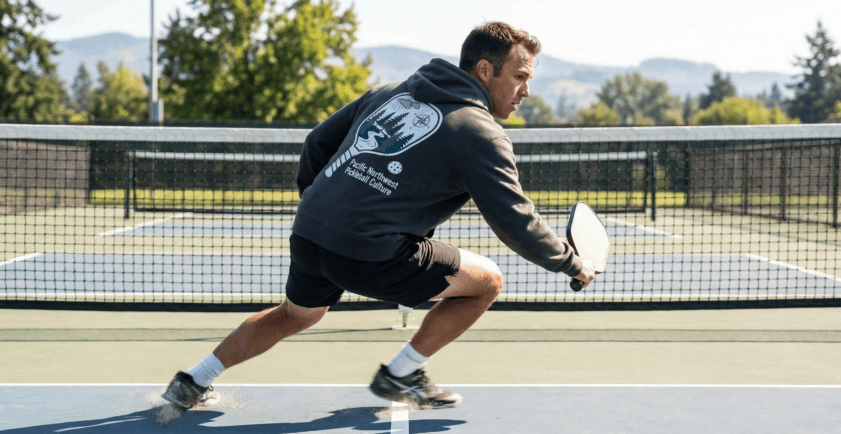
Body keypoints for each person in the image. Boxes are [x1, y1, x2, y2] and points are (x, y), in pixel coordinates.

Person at [160, 21, 595, 411]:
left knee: (297, 314)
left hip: (310, 235)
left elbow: (316, 143)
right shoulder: (481, 134)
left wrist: (323, 207)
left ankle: (193, 381)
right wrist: (570, 262)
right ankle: (402, 372)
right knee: (487, 281)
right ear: (485, 70)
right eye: (519, 76)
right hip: (369, 252)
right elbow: (515, 222)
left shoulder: (391, 91)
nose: (526, 90)